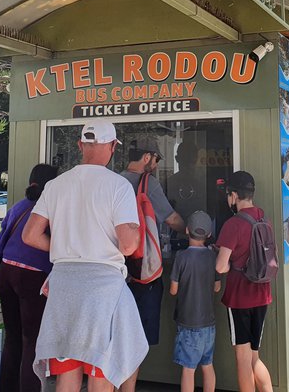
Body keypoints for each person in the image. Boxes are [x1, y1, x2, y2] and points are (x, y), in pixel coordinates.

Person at [22, 120, 146, 392]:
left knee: (67, 371)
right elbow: (127, 246)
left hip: (63, 287)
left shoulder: (55, 185)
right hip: (102, 290)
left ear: (80, 145)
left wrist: (62, 248)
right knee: (100, 370)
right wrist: (135, 234)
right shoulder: (118, 186)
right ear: (113, 147)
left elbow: (30, 235)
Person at [119, 135, 185, 392]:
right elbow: (170, 219)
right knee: (136, 338)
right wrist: (193, 232)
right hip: (143, 272)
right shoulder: (149, 183)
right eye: (156, 159)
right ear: (147, 157)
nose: (156, 165)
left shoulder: (114, 180)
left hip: (115, 270)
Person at [0, 163, 58, 392]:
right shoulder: (51, 210)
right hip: (33, 277)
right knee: (32, 341)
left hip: (6, 272)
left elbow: (1, 240)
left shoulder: (19, 206)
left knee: (12, 339)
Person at [215, 171, 273, 392]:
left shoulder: (233, 224)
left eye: (228, 194)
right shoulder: (263, 218)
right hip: (262, 294)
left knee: (242, 357)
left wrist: (228, 262)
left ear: (234, 195)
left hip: (240, 299)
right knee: (254, 357)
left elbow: (221, 266)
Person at [169, 211, 220, 392]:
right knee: (208, 365)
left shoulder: (181, 257)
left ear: (187, 230)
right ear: (208, 235)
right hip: (209, 323)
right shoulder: (212, 257)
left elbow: (173, 290)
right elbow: (216, 287)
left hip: (188, 322)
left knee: (188, 370)